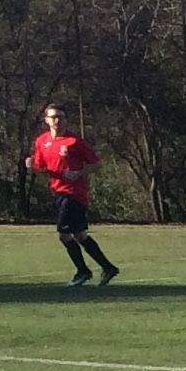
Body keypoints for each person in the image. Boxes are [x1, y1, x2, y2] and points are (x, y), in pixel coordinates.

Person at [27, 103, 117, 286]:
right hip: (58, 191)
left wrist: (78, 173)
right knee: (80, 235)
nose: (57, 120)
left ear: (66, 120)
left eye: (60, 117)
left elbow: (96, 164)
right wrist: (31, 166)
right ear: (46, 120)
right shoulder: (41, 141)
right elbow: (40, 167)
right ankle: (108, 268)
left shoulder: (74, 141)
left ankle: (83, 271)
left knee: (64, 234)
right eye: (53, 117)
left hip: (74, 193)